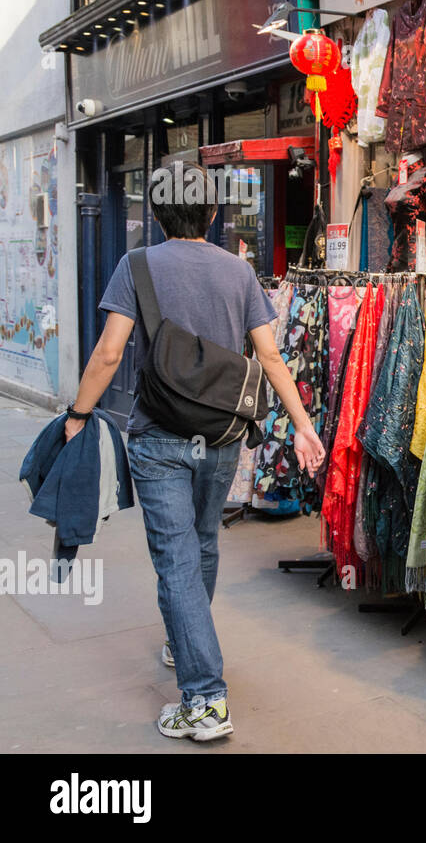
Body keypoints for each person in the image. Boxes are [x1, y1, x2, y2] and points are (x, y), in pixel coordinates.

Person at [67, 161, 325, 742]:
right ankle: (186, 640)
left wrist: (78, 415)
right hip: (223, 434)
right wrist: (303, 425)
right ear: (211, 214)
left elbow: (109, 355)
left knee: (176, 557)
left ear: (156, 216)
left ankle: (205, 698)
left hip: (158, 435)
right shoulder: (238, 272)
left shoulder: (136, 266)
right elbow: (271, 358)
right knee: (202, 544)